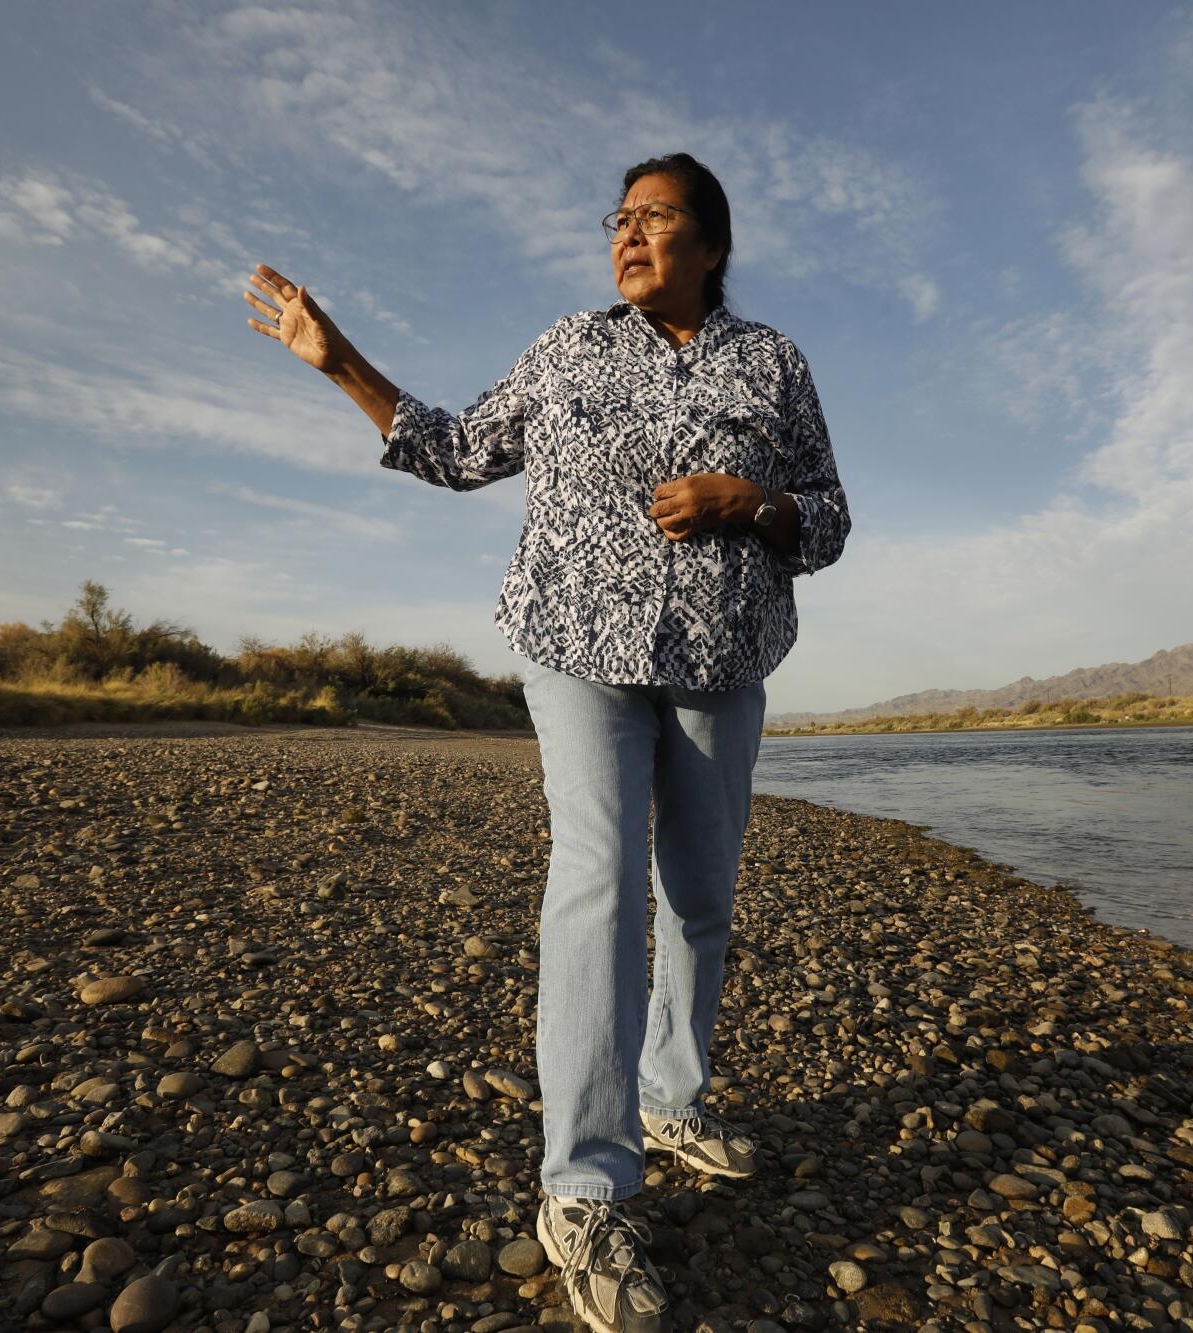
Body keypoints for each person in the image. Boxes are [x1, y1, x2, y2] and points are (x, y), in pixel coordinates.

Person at [245, 151, 851, 1333]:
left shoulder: (773, 362)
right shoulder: (568, 344)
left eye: (654, 219)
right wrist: (341, 365)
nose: (626, 236)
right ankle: (583, 1183)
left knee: (702, 898)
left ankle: (674, 1097)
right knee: (597, 874)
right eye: (616, 220)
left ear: (712, 246)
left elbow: (826, 518)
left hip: (721, 659)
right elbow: (460, 449)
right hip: (572, 643)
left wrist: (752, 504)